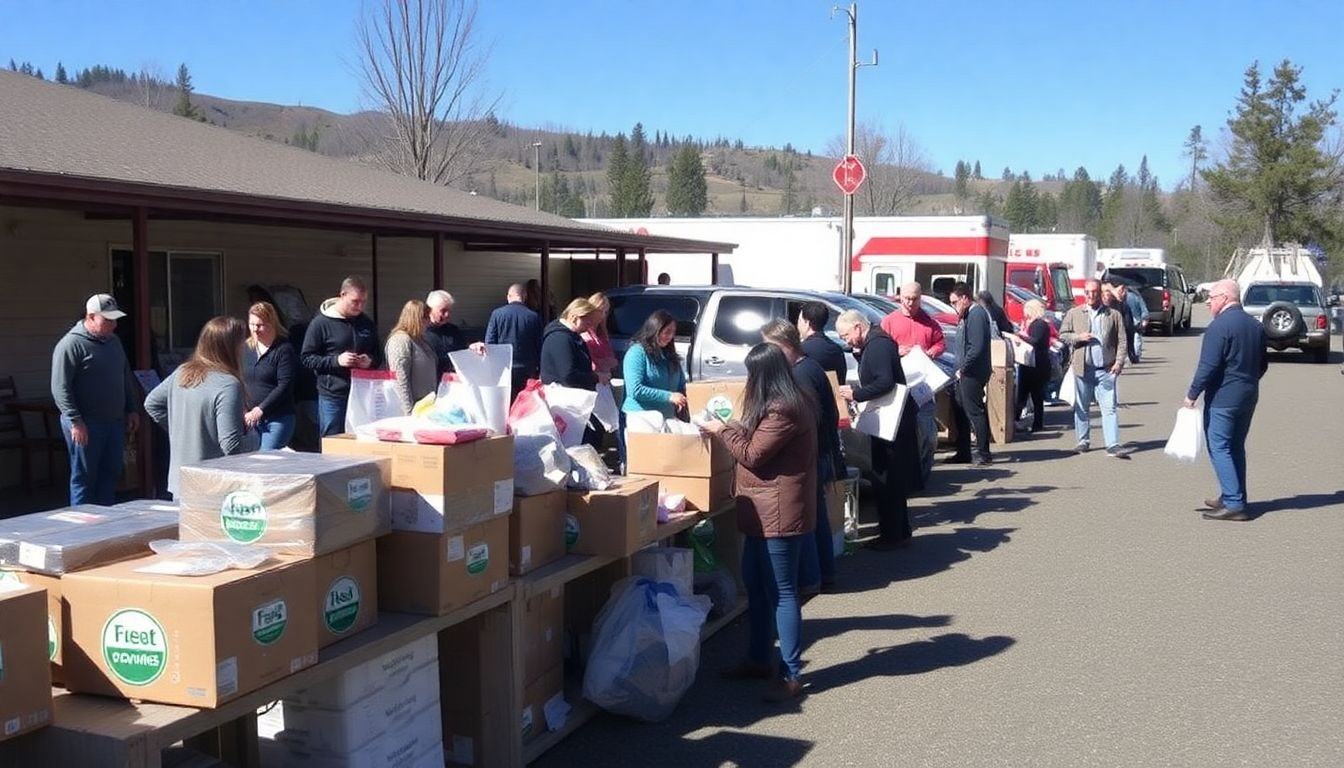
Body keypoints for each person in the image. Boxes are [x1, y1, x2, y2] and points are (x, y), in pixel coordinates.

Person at [700, 343, 816, 703]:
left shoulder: (785, 408)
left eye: (752, 374)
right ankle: (758, 658)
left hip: (779, 513)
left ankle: (791, 673)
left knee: (782, 592)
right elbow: (755, 439)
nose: (748, 380)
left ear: (764, 375)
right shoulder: (781, 402)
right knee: (754, 583)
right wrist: (730, 426)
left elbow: (752, 453)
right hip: (764, 511)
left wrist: (721, 430)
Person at [761, 319, 842, 592]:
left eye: (769, 347)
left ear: (784, 346)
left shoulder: (801, 374)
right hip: (819, 451)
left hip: (810, 455)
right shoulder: (810, 367)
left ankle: (811, 578)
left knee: (806, 519)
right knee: (814, 516)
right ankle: (823, 573)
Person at [144, 317, 259, 498]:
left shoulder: (182, 372)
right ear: (230, 347)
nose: (245, 346)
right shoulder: (228, 384)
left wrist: (179, 430)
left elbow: (151, 404)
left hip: (181, 481)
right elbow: (231, 445)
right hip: (212, 486)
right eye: (241, 341)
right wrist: (255, 440)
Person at [835, 310, 921, 549]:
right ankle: (898, 531)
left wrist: (857, 394)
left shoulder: (879, 345)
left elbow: (884, 382)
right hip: (891, 420)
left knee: (887, 477)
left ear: (857, 328)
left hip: (893, 421)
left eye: (846, 335)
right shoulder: (874, 344)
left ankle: (892, 534)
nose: (846, 340)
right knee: (888, 475)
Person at [1183, 279, 1267, 521]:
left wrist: (1191, 395)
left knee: (1219, 446)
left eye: (1212, 297)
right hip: (1248, 394)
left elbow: (1208, 366)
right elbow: (1262, 364)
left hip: (1224, 397)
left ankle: (1234, 502)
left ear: (1225, 297)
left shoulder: (1219, 327)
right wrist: (1247, 382)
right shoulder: (1255, 325)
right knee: (1235, 446)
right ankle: (1232, 494)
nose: (1208, 301)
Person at [50, 293, 141, 505]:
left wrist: (131, 408)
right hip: (86, 423)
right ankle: (82, 525)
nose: (113, 325)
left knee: (110, 473)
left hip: (114, 421)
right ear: (91, 317)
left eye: (115, 319)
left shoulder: (114, 342)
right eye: (107, 320)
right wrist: (75, 421)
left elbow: (124, 375)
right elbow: (60, 387)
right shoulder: (71, 344)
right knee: (84, 475)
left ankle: (105, 521)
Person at [880, 281, 946, 482]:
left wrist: (932, 352)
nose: (910, 302)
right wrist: (895, 351)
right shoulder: (889, 321)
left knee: (926, 430)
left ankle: (923, 472)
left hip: (923, 384)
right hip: (900, 383)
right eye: (907, 298)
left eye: (915, 299)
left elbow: (940, 342)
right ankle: (904, 473)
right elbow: (879, 347)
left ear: (921, 299)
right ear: (900, 297)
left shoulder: (929, 321)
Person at [301, 276, 381, 437]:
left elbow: (379, 355)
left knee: (361, 437)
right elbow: (306, 358)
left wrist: (369, 361)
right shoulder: (321, 323)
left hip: (362, 393)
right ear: (342, 295)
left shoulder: (366, 323)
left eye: (363, 302)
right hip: (333, 394)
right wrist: (337, 360)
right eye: (355, 301)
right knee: (332, 439)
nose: (360, 307)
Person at [1059, 279, 1128, 457]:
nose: (1091, 295)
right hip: (1083, 368)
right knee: (1082, 407)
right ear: (1084, 293)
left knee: (1109, 408)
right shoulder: (1075, 313)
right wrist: (1078, 337)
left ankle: (1112, 444)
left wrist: (1119, 362)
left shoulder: (1113, 315)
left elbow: (1122, 340)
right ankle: (1083, 440)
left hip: (1105, 370)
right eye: (1088, 292)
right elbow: (1063, 335)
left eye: (1094, 292)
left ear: (1100, 293)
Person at [541, 298, 603, 446]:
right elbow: (568, 375)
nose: (588, 328)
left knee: (593, 434)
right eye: (587, 323)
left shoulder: (569, 336)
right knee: (581, 440)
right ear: (575, 317)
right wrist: (595, 377)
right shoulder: (560, 338)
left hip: (573, 397)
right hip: (566, 400)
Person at [948, 283, 993, 465]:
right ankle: (963, 451)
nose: (953, 306)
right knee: (960, 410)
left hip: (971, 374)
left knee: (974, 411)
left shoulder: (976, 314)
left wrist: (964, 368)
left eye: (954, 302)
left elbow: (977, 347)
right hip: (964, 373)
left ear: (965, 299)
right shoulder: (966, 315)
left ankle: (983, 453)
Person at [243, 301, 297, 450]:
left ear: (271, 323)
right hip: (250, 420)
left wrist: (261, 409)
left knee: (266, 461)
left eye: (260, 325)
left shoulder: (283, 350)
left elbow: (285, 385)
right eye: (252, 324)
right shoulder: (246, 348)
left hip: (277, 419)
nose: (255, 329)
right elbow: (239, 379)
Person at [621, 310, 687, 419]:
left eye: (673, 332)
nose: (670, 336)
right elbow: (635, 390)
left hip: (667, 417)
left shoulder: (670, 355)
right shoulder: (637, 352)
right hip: (641, 417)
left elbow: (682, 386)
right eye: (667, 332)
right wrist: (668, 396)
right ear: (655, 330)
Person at [482, 283, 542, 399]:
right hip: (527, 367)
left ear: (508, 296)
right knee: (524, 403)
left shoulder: (497, 314)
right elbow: (539, 344)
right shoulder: (533, 317)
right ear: (524, 296)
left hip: (503, 367)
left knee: (504, 402)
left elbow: (489, 342)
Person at [385, 299, 438, 414]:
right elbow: (400, 380)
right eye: (426, 318)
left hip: (426, 406)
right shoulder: (400, 340)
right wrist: (408, 412)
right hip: (411, 410)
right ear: (417, 319)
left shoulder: (421, 340)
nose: (429, 322)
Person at [1013, 299, 1052, 434]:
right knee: (1027, 394)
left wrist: (1022, 337)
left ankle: (1035, 423)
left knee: (1033, 394)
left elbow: (1036, 341)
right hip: (1032, 364)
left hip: (1036, 365)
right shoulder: (1037, 324)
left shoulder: (1040, 325)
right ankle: (1021, 420)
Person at [796, 301, 848, 387]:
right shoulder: (836, 349)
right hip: (833, 398)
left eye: (799, 320)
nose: (798, 324)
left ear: (807, 323)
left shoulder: (801, 351)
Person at [425, 290, 466, 375]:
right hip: (429, 380)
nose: (447, 314)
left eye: (449, 311)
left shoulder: (453, 330)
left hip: (450, 381)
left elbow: (463, 351)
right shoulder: (421, 332)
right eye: (443, 311)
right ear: (430, 310)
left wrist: (472, 347)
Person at [582, 292, 618, 384]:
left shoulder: (602, 333)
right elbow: (588, 362)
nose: (603, 316)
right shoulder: (584, 332)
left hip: (605, 380)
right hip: (593, 380)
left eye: (605, 312)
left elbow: (611, 358)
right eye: (600, 311)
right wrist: (605, 362)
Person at [1115, 281, 1149, 363]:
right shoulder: (1135, 296)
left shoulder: (1122, 298)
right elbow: (1143, 308)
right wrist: (1144, 319)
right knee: (1135, 338)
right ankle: (1135, 356)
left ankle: (1131, 356)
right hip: (1134, 320)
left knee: (1129, 338)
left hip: (1128, 320)